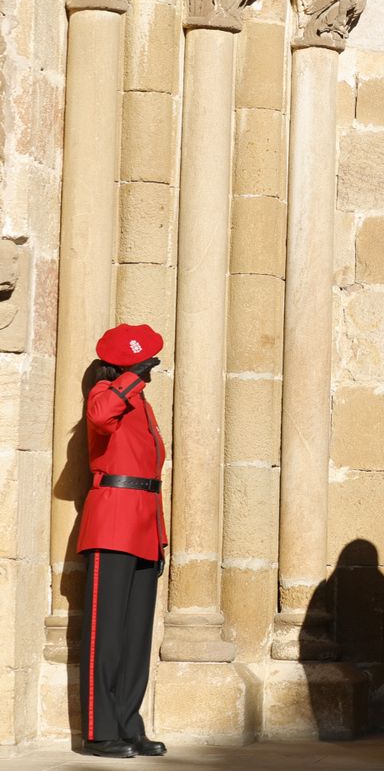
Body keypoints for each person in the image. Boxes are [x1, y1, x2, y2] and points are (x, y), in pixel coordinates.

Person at [78, 324, 169, 759]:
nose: (151, 369)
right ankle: (99, 732)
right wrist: (129, 378)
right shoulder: (107, 393)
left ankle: (129, 725)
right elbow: (99, 417)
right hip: (112, 521)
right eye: (145, 362)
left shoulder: (142, 405)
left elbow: (150, 477)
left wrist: (161, 536)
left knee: (136, 636)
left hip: (144, 525)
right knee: (106, 635)